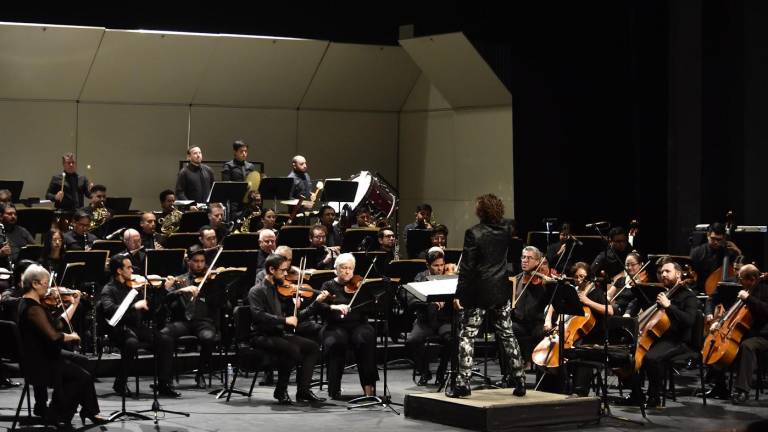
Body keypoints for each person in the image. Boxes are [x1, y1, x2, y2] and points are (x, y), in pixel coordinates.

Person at [451, 194, 525, 398]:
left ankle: (462, 384)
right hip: (500, 290)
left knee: (468, 335)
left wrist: (459, 294)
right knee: (507, 334)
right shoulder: (508, 227)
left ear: (480, 211)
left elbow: (467, 268)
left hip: (479, 292)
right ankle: (520, 380)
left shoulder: (473, 233)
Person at [17, 264, 106, 428]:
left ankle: (81, 411)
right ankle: (58, 414)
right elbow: (54, 337)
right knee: (82, 377)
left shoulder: (35, 305)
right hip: (39, 362)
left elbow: (57, 324)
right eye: (46, 283)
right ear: (35, 284)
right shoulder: (32, 309)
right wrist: (71, 336)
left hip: (45, 354)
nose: (49, 287)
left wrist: (73, 305)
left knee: (83, 361)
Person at [247, 253, 328, 404]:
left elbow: (297, 318)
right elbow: (259, 316)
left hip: (279, 334)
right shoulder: (256, 291)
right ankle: (281, 390)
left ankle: (303, 391)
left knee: (312, 347)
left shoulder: (283, 290)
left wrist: (316, 303)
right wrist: (284, 319)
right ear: (271, 269)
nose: (286, 274)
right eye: (283, 270)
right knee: (292, 349)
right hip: (261, 335)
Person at [619, 260, 698, 408]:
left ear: (679, 274)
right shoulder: (663, 293)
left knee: (651, 358)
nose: (663, 274)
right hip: (657, 337)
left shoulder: (689, 297)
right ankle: (636, 394)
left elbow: (689, 321)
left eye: (667, 271)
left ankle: (654, 396)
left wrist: (669, 306)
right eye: (662, 272)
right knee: (627, 355)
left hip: (677, 340)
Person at [100, 254, 178, 397]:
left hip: (137, 327)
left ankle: (163, 384)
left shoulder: (135, 287)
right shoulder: (108, 289)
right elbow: (110, 311)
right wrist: (134, 306)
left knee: (166, 341)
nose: (132, 271)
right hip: (119, 329)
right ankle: (120, 382)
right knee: (131, 343)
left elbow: (151, 309)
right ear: (119, 270)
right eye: (129, 267)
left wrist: (163, 290)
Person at [320, 253, 379, 399]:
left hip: (359, 324)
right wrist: (334, 307)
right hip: (334, 325)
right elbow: (321, 308)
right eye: (343, 268)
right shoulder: (328, 285)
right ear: (336, 269)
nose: (347, 272)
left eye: (350, 268)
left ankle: (368, 388)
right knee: (335, 342)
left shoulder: (360, 285)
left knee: (365, 338)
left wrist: (369, 294)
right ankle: (334, 388)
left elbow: (372, 308)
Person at [161, 248, 219, 389]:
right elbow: (165, 300)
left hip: (203, 322)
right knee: (164, 334)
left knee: (208, 338)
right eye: (196, 261)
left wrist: (215, 285)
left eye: (202, 261)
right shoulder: (179, 280)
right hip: (182, 322)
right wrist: (179, 290)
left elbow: (220, 301)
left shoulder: (210, 280)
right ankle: (165, 379)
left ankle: (200, 374)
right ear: (188, 262)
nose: (200, 265)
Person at [406, 248, 453, 386]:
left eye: (441, 265)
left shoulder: (450, 277)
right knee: (413, 340)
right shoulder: (420, 277)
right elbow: (412, 300)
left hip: (444, 320)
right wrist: (429, 302)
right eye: (436, 266)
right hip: (425, 320)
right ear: (427, 265)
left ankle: (442, 371)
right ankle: (424, 371)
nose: (440, 269)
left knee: (452, 338)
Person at [728, 264, 768, 404]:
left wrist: (748, 299)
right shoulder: (746, 290)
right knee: (723, 345)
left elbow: (765, 310)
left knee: (747, 346)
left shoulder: (765, 289)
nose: (739, 282)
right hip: (751, 332)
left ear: (751, 279)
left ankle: (742, 390)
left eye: (741, 278)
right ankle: (719, 386)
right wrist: (720, 322)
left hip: (764, 336)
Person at [511, 246, 550, 370]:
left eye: (529, 258)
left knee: (541, 332)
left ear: (538, 262)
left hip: (538, 323)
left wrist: (546, 281)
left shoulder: (543, 281)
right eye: (523, 257)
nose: (525, 260)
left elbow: (553, 303)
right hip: (519, 323)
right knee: (505, 330)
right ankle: (509, 372)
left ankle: (538, 365)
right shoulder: (516, 280)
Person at [690, 222, 742, 294]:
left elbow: (741, 271)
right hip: (701, 291)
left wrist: (738, 253)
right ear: (708, 235)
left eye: (719, 239)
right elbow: (692, 276)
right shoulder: (697, 252)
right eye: (713, 238)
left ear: (724, 238)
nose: (716, 242)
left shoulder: (729, 251)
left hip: (726, 292)